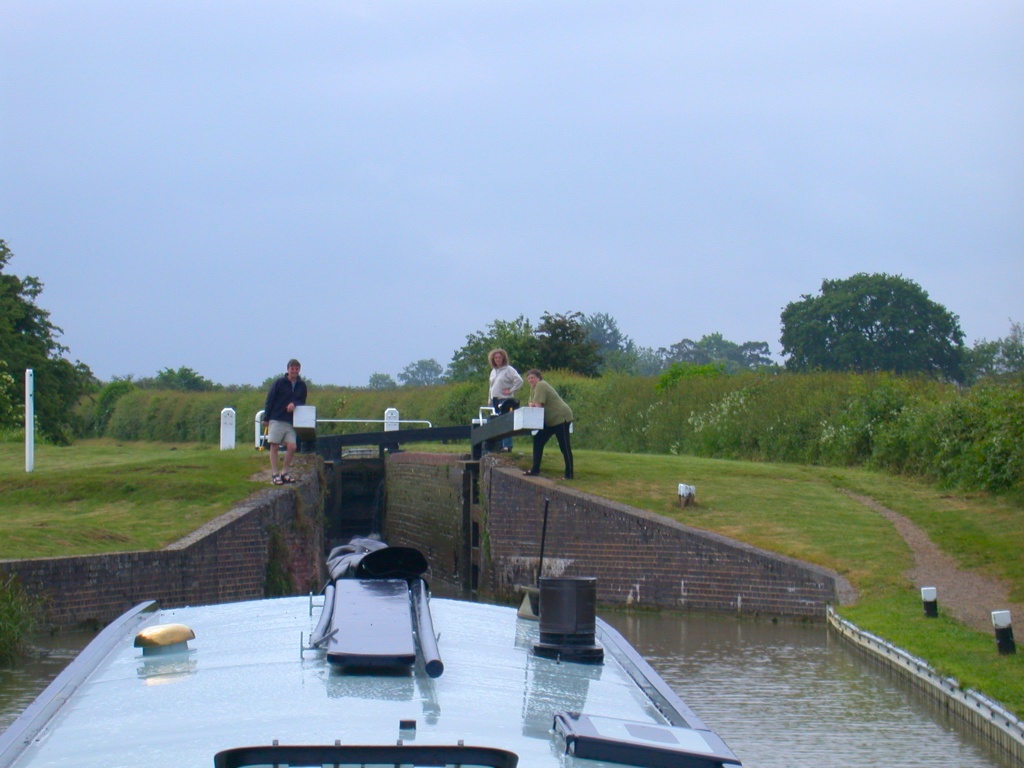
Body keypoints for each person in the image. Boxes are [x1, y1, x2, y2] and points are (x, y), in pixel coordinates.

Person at [262, 358, 307, 485]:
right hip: (277, 417)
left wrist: (294, 403)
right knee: (274, 445)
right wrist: (266, 418)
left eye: (296, 369)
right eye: (292, 369)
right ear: (288, 369)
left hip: (290, 421)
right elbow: (270, 399)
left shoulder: (302, 385)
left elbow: (302, 401)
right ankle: (275, 474)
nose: (294, 371)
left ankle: (285, 472)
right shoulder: (279, 383)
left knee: (292, 446)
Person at [523, 369, 574, 479]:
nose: (531, 380)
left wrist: (534, 404)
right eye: (529, 378)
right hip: (550, 421)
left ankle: (569, 474)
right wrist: (533, 404)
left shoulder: (541, 385)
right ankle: (535, 469)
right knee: (538, 440)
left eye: (533, 377)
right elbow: (531, 403)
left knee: (564, 446)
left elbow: (538, 406)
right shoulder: (533, 388)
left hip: (560, 417)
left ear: (539, 378)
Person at [488, 348, 523, 452]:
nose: (498, 359)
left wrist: (511, 390)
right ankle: (497, 445)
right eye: (496, 358)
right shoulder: (493, 371)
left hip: (505, 400)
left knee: (505, 423)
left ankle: (507, 446)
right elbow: (491, 387)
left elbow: (519, 381)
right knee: (494, 423)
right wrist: (489, 399)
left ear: (503, 358)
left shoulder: (509, 369)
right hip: (495, 400)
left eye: (500, 357)